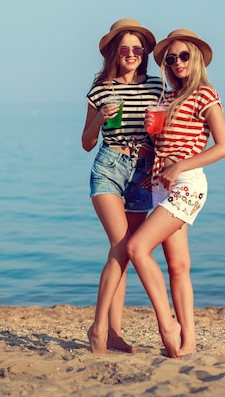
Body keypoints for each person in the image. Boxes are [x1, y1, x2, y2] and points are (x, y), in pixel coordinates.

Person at [126, 29, 225, 358]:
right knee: (178, 266)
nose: (177, 62)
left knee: (136, 247)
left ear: (196, 58)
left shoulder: (205, 94)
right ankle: (189, 343)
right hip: (161, 186)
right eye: (171, 58)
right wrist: (148, 145)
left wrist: (177, 166)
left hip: (187, 184)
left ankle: (167, 325)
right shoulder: (166, 99)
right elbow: (158, 147)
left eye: (183, 55)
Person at [82, 19, 164, 353]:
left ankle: (114, 332)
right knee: (120, 245)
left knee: (125, 254)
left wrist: (154, 136)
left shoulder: (157, 88)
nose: (131, 54)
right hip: (108, 167)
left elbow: (164, 137)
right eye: (124, 48)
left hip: (143, 171)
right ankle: (99, 328)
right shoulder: (100, 89)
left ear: (143, 53)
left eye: (137, 49)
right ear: (115, 52)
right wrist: (100, 118)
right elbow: (86, 142)